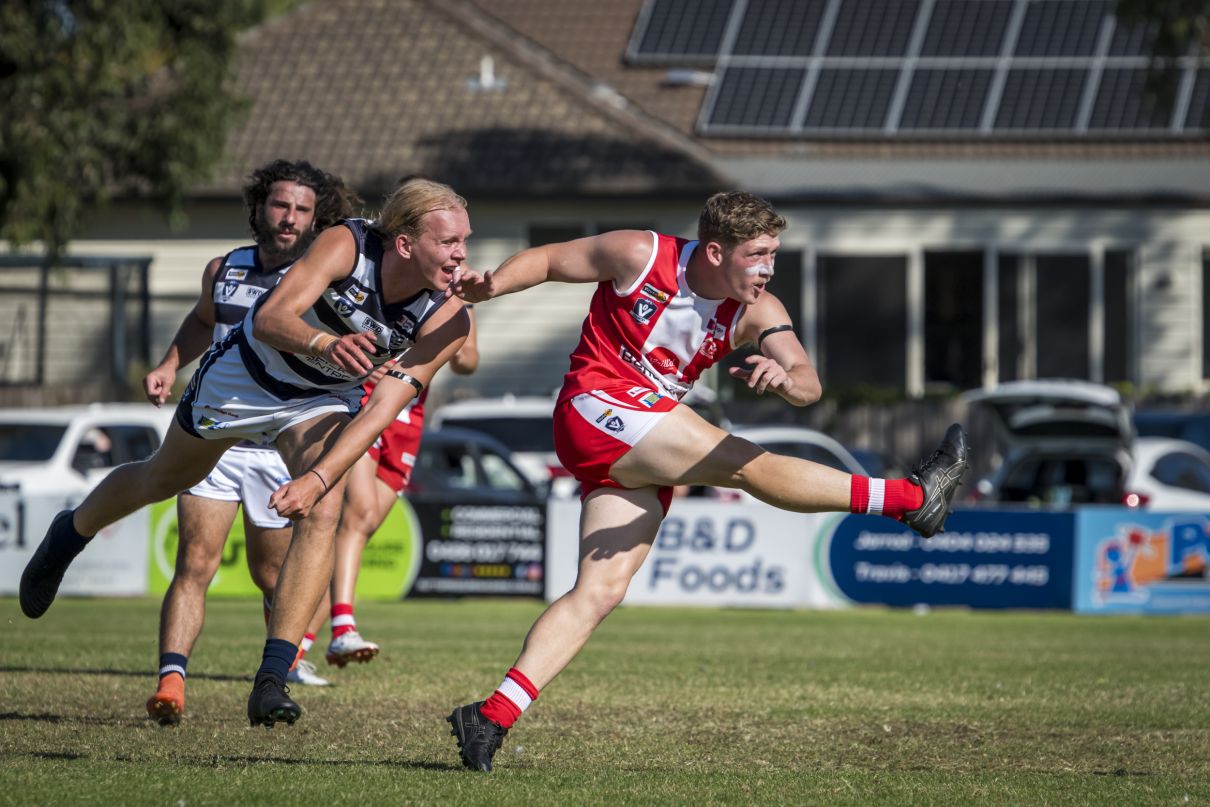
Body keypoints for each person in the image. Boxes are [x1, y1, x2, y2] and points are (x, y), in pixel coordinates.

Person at [444, 190, 970, 772]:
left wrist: (786, 378)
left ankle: (490, 717)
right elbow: (547, 259)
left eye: (774, 254)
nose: (768, 268)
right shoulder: (641, 254)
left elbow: (809, 383)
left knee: (598, 594)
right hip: (595, 407)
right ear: (715, 252)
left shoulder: (758, 310)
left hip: (637, 445)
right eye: (757, 255)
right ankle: (911, 498)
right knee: (745, 461)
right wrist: (493, 286)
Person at [20, 176, 475, 729]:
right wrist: (327, 342)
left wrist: (319, 479)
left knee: (324, 507)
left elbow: (381, 410)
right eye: (449, 242)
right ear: (405, 243)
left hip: (320, 400)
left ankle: (271, 679)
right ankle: (70, 533)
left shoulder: (450, 318)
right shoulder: (347, 245)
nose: (461, 255)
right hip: (247, 378)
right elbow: (269, 318)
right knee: (160, 478)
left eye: (464, 242)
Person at [141, 159, 360, 725]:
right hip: (217, 438)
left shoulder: (326, 281)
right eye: (281, 205)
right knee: (195, 562)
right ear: (259, 207)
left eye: (302, 210)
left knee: (272, 574)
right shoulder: (225, 268)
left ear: (316, 219)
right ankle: (171, 682)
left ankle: (277, 671)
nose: (289, 218)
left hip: (281, 448)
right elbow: (201, 320)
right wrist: (168, 364)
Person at [326, 308, 479, 667]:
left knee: (362, 527)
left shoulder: (458, 298)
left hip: (408, 417)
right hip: (365, 402)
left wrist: (456, 343)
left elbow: (469, 361)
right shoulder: (397, 284)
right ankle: (342, 626)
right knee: (360, 513)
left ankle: (305, 645)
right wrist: (365, 364)